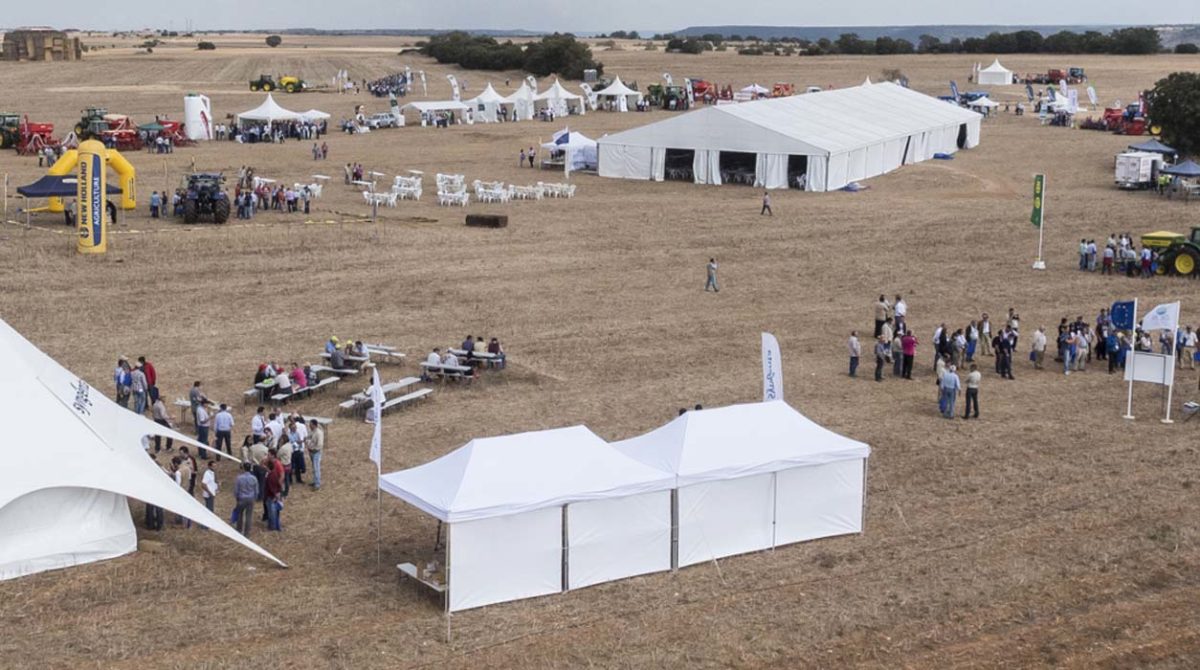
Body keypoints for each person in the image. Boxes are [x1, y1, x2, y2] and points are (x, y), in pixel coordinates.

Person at [233, 462, 258, 538]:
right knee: (249, 516)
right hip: (250, 498)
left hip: (241, 498)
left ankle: (239, 530)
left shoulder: (239, 478)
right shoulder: (254, 478)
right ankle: (247, 533)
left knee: (240, 514)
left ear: (243, 468)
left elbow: (236, 490)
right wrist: (255, 497)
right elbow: (256, 490)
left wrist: (237, 497)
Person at [308, 419, 324, 490]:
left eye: (310, 424)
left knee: (316, 468)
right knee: (314, 468)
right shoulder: (313, 431)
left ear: (314, 425)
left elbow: (320, 444)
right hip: (312, 452)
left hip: (316, 452)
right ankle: (315, 481)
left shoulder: (319, 433)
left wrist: (314, 449)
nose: (309, 426)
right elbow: (309, 436)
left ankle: (317, 484)